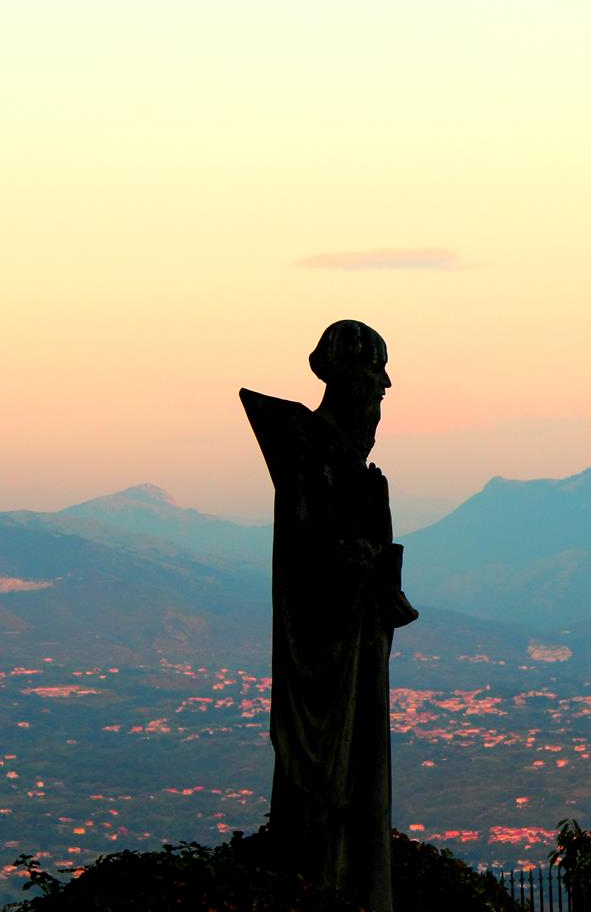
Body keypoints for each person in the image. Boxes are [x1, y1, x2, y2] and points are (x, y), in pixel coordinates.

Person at [239, 319, 418, 912]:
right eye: (376, 375)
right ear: (347, 377)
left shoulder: (350, 470)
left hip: (357, 653)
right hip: (330, 666)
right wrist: (369, 553)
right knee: (334, 810)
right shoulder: (311, 457)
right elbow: (317, 565)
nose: (384, 387)